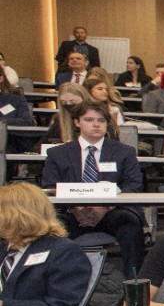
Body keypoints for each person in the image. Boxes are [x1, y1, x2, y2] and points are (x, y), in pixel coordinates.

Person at [40, 100, 145, 275]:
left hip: (112, 212)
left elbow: (133, 187)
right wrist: (77, 207)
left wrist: (104, 207)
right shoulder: (57, 153)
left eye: (101, 120)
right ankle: (53, 284)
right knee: (50, 228)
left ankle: (135, 287)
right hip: (71, 213)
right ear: (77, 122)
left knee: (131, 225)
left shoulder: (124, 152)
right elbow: (50, 187)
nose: (96, 124)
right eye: (89, 120)